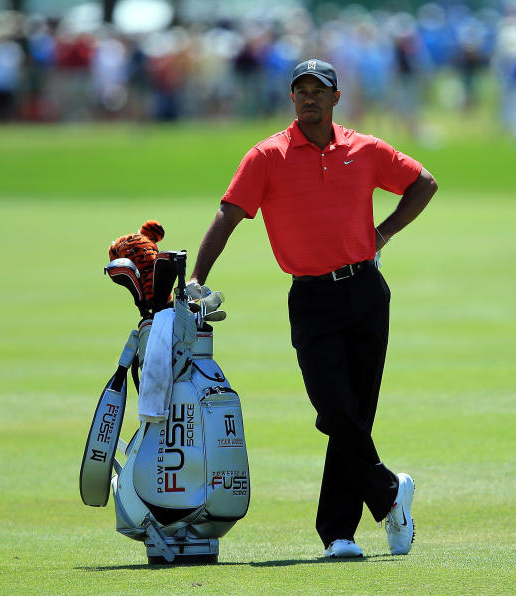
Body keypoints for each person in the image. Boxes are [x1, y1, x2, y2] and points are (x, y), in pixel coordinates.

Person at [187, 58, 437, 558]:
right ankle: (390, 493)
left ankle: (339, 535)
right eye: (300, 90)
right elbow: (229, 213)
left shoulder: (363, 149)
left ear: (335, 98)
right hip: (311, 299)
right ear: (292, 98)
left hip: (365, 290)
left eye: (318, 90)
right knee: (334, 407)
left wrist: (382, 233)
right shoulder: (267, 156)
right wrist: (197, 277)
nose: (309, 98)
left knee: (355, 416)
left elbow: (423, 183)